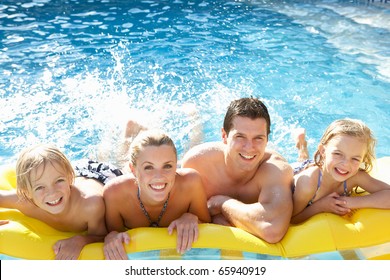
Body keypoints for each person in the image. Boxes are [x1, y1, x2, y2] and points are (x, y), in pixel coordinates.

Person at [181, 97, 294, 243]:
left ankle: (301, 147)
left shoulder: (276, 170)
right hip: (204, 153)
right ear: (224, 136)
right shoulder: (198, 163)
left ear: (267, 139)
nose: (249, 147)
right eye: (240, 137)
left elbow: (271, 230)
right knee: (190, 144)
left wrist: (221, 203)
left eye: (258, 138)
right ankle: (195, 121)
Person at [103, 129, 211, 260]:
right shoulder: (114, 194)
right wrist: (110, 237)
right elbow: (111, 234)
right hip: (124, 177)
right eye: (148, 167)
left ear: (176, 165)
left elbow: (207, 224)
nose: (159, 177)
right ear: (133, 170)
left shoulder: (191, 183)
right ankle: (129, 130)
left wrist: (192, 218)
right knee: (116, 159)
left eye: (167, 166)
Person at [0, 144, 109, 260]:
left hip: (101, 175)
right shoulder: (24, 202)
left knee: (108, 155)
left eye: (59, 181)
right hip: (69, 172)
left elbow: (102, 236)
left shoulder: (90, 206)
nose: (52, 193)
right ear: (27, 193)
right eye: (39, 187)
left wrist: (81, 240)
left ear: (69, 178)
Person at [291, 118, 390, 224]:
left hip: (325, 164)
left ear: (363, 159)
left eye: (355, 159)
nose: (346, 164)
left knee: (310, 160)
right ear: (323, 151)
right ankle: (301, 146)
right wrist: (320, 206)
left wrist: (349, 202)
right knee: (303, 162)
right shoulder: (308, 184)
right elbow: (292, 219)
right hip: (300, 172)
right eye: (338, 154)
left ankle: (302, 146)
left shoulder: (355, 176)